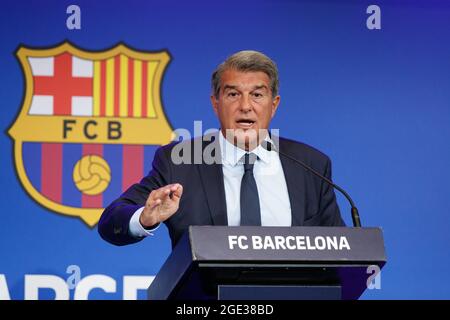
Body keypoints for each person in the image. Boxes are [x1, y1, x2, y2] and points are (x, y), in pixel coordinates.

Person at [98, 50, 345, 247]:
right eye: (233, 94)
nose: (245, 106)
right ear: (215, 104)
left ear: (274, 105)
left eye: (257, 95)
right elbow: (112, 220)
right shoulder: (180, 162)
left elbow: (343, 249)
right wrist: (144, 218)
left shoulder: (311, 165)